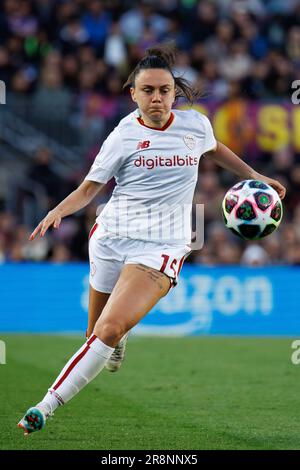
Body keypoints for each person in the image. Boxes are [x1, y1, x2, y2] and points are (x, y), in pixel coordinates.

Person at [17, 45, 286, 435]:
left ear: (174, 92)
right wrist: (58, 210)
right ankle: (119, 334)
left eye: (163, 90)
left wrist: (255, 176)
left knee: (106, 332)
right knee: (95, 334)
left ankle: (45, 406)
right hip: (111, 237)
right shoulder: (122, 136)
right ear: (134, 94)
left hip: (164, 243)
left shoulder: (196, 126)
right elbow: (90, 188)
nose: (156, 98)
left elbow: (216, 150)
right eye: (148, 91)